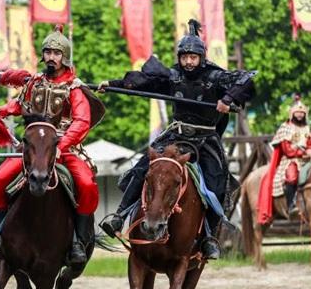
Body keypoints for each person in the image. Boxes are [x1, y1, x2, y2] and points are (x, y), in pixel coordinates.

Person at [98, 19, 255, 259]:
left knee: (216, 180)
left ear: (201, 58)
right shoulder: (173, 76)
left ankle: (210, 237)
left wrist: (227, 99)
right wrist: (111, 85)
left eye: (193, 57)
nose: (189, 62)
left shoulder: (215, 76)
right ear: (180, 57)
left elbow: (246, 78)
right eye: (185, 57)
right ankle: (119, 216)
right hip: (176, 135)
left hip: (206, 139)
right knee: (144, 167)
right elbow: (143, 82)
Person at [0, 30, 103, 266]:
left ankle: (78, 241)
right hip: (35, 149)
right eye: (48, 52)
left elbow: (82, 122)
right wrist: (0, 111)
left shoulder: (74, 88)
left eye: (56, 53)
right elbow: (21, 105)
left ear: (64, 57)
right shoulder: (35, 82)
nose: (51, 57)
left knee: (86, 184)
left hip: (65, 149)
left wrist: (61, 145)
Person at [258, 95, 311, 223]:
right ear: (292, 113)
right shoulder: (286, 127)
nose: (300, 115)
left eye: (302, 112)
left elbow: (310, 144)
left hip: (306, 160)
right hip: (290, 160)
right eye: (297, 112)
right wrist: (302, 153)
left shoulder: (307, 128)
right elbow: (287, 150)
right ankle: (291, 205)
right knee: (292, 176)